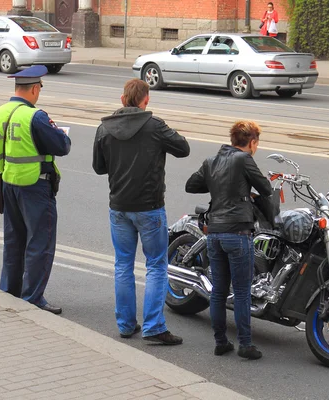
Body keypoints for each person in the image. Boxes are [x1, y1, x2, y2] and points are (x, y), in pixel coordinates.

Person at [92, 79, 190, 344]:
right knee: (156, 266)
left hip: (119, 207)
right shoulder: (154, 125)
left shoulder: (104, 127)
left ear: (123, 99)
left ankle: (125, 325)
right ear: (145, 100)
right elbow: (183, 149)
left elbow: (99, 168)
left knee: (123, 264)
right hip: (149, 208)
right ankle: (154, 327)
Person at [0, 65, 71, 315]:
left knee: (14, 240)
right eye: (40, 88)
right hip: (35, 185)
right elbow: (61, 146)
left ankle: (9, 290)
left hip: (8, 184)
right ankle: (32, 296)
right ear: (34, 89)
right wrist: (62, 136)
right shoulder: (35, 116)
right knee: (39, 242)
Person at [185, 120, 272, 360]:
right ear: (252, 143)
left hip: (214, 234)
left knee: (219, 291)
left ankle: (221, 342)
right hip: (237, 234)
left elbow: (191, 185)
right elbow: (265, 189)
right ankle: (245, 344)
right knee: (243, 292)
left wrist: (217, 185)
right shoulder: (244, 159)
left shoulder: (211, 161)